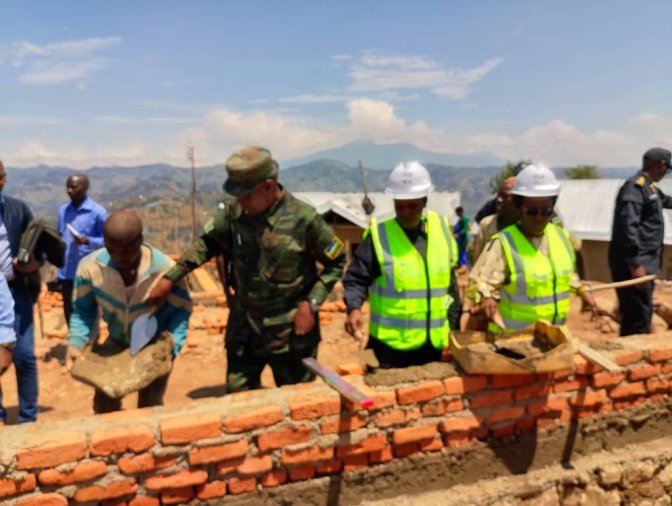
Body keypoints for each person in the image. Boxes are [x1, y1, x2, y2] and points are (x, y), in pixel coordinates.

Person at [148, 146, 346, 392]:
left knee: (295, 399)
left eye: (245, 194)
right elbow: (207, 244)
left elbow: (337, 261)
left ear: (268, 186)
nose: (239, 200)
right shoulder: (235, 213)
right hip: (245, 330)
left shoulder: (304, 220)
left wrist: (311, 304)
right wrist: (170, 278)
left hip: (289, 333)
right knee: (238, 396)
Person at [65, 210, 191, 414]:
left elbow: (181, 310)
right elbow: (83, 311)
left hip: (152, 344)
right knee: (104, 404)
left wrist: (172, 347)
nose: (118, 257)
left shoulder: (164, 270)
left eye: (126, 251)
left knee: (150, 408)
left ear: (140, 240)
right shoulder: (90, 269)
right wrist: (76, 342)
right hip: (116, 341)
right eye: (111, 250)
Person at [343, 161, 461, 368]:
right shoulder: (379, 237)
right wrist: (354, 308)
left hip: (432, 346)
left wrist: (454, 329)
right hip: (388, 349)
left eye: (412, 206)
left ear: (424, 202)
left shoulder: (442, 232)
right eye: (400, 206)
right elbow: (356, 279)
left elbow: (450, 288)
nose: (406, 212)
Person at [468, 164, 598, 331]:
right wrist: (486, 298)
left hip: (555, 335)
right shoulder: (503, 242)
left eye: (546, 212)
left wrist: (582, 288)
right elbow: (479, 281)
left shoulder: (561, 235)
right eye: (532, 212)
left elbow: (563, 274)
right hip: (515, 339)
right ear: (519, 207)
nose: (539, 218)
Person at [609, 147, 672, 336]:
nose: (666, 173)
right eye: (667, 168)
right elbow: (627, 227)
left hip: (645, 263)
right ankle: (631, 351)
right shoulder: (634, 188)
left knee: (642, 314)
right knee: (636, 317)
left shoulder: (649, 187)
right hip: (634, 266)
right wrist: (635, 264)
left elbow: (665, 200)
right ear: (660, 165)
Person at [0, 160, 40, 423]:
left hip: (16, 292)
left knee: (24, 356)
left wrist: (33, 265)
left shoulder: (17, 209)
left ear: (4, 179)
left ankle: (28, 417)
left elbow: (39, 246)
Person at [57, 173, 107, 327]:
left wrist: (88, 240)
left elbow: (108, 241)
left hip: (88, 274)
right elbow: (59, 237)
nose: (69, 191)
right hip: (66, 273)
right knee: (69, 314)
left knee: (88, 314)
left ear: (85, 188)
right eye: (68, 187)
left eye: (74, 187)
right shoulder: (63, 211)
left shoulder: (98, 213)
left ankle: (91, 340)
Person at [472, 177, 517, 263]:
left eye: (505, 196)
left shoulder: (529, 226)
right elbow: (477, 260)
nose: (499, 200)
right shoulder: (486, 224)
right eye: (498, 195)